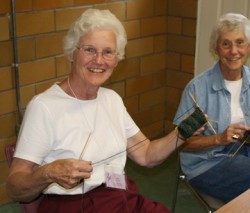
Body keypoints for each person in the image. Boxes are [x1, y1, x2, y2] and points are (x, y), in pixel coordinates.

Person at [6, 9, 204, 213]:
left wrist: (180, 134)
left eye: (108, 52)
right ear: (71, 53)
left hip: (118, 195)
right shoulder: (44, 106)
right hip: (72, 206)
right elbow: (14, 188)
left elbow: (146, 155)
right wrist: (47, 173)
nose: (99, 60)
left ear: (117, 60)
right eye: (89, 50)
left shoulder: (112, 100)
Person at [173, 13, 250, 203]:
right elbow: (180, 141)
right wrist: (218, 138)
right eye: (226, 44)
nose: (234, 51)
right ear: (216, 49)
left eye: (240, 43)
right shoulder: (197, 88)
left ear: (249, 47)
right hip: (211, 163)